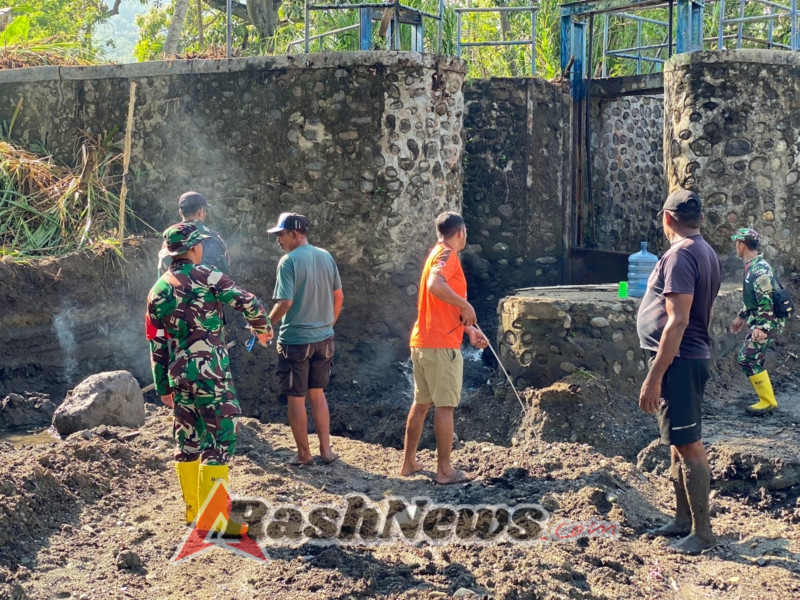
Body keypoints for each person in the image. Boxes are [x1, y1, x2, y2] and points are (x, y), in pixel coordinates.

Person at [146, 222, 273, 535]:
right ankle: (216, 519)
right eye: (199, 244)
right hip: (211, 374)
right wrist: (262, 329)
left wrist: (163, 386)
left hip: (178, 377)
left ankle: (194, 512)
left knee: (187, 440)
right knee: (219, 438)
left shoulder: (158, 290)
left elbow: (156, 341)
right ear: (193, 249)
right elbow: (249, 302)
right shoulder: (207, 275)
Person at [637, 189, 721, 555]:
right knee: (677, 444)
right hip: (687, 358)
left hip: (679, 361)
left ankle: (702, 533)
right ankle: (683, 521)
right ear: (699, 218)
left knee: (688, 446)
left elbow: (678, 321)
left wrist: (654, 376)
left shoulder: (682, 255)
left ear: (666, 218)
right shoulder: (705, 252)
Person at [400, 212, 489, 485]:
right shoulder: (448, 256)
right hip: (440, 346)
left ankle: (409, 462)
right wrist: (465, 305)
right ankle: (445, 471)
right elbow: (435, 285)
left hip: (423, 342)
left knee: (421, 402)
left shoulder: (435, 253)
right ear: (460, 232)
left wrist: (468, 329)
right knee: (446, 406)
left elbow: (440, 304)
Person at [267, 212, 343, 466]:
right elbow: (339, 296)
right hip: (325, 339)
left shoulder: (287, 262)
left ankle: (304, 455)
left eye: (281, 234)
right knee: (317, 394)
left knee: (296, 397)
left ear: (295, 234)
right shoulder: (326, 256)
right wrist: (327, 324)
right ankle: (326, 451)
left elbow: (285, 302)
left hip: (296, 341)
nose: (279, 240)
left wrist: (264, 324)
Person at [729, 227, 785, 414]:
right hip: (764, 320)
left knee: (747, 358)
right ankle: (767, 400)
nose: (736, 247)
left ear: (741, 244)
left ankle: (768, 401)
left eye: (737, 243)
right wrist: (742, 316)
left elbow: (766, 300)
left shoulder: (759, 270)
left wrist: (761, 327)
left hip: (769, 322)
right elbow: (753, 299)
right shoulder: (752, 266)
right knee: (751, 358)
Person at [158, 191, 229, 274]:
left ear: (180, 212)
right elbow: (225, 271)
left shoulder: (170, 239)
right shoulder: (215, 237)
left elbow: (162, 272)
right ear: (201, 211)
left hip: (175, 286)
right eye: (205, 210)